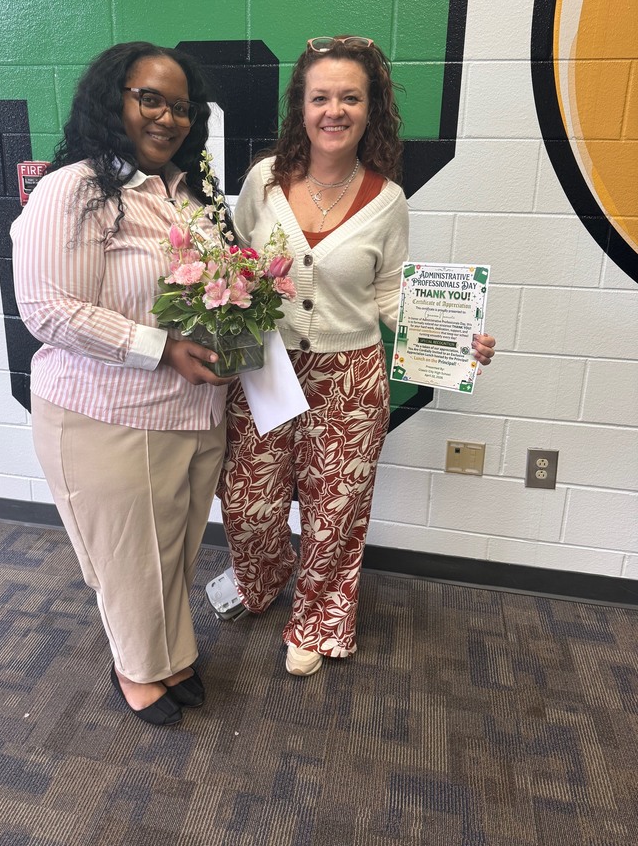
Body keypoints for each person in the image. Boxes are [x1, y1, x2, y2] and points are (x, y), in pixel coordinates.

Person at [211, 35, 496, 676]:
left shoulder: (387, 199)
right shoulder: (264, 182)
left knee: (335, 508)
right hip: (267, 367)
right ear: (301, 108)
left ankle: (317, 619)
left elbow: (391, 294)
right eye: (320, 98)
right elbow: (232, 269)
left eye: (350, 98)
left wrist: (457, 342)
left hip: (349, 376)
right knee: (247, 503)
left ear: (371, 110)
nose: (333, 110)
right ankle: (259, 580)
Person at [11, 42, 233, 726]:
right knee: (131, 557)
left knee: (174, 549)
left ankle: (168, 654)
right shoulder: (73, 188)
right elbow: (48, 309)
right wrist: (161, 349)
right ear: (114, 102)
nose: (169, 118)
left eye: (181, 108)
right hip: (108, 413)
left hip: (193, 414)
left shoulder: (190, 194)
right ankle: (137, 671)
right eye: (151, 100)